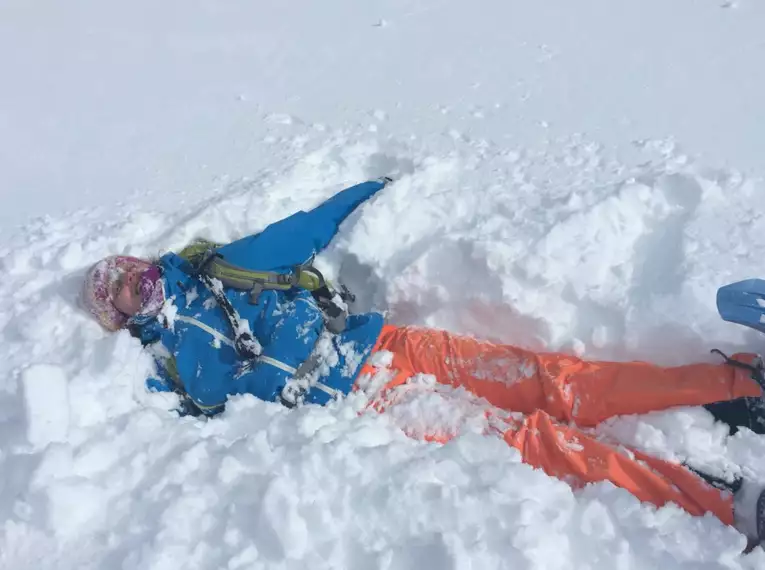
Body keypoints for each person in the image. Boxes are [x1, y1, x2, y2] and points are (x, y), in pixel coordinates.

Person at [81, 178, 765, 549]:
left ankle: (737, 381)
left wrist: (382, 186)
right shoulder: (178, 367)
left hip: (385, 349)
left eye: (136, 277)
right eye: (126, 300)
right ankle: (718, 502)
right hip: (369, 405)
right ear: (126, 320)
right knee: (538, 444)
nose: (143, 294)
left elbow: (302, 230)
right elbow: (197, 418)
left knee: (554, 382)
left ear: (152, 264)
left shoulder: (226, 266)